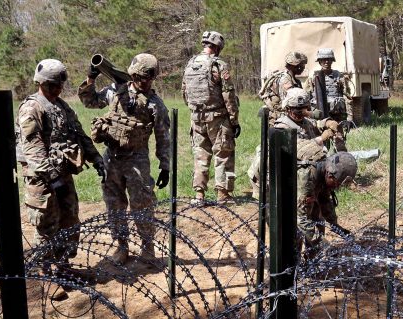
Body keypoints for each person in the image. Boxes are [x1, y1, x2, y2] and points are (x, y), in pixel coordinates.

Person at [15, 59, 105, 300]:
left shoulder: (62, 106)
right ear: (41, 82)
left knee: (70, 221)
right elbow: (33, 149)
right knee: (46, 226)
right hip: (41, 179)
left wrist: (96, 159)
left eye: (59, 85)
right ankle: (46, 276)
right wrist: (51, 177)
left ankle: (63, 268)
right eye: (53, 85)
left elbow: (79, 134)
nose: (57, 89)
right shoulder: (32, 108)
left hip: (62, 175)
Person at [78, 53, 170, 264]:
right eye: (139, 77)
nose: (143, 82)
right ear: (133, 75)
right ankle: (121, 246)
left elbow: (163, 136)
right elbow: (90, 101)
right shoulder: (115, 92)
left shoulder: (155, 104)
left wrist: (165, 165)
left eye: (148, 78)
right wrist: (91, 79)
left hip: (137, 159)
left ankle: (148, 247)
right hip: (112, 157)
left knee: (142, 204)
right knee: (114, 204)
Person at [247, 88, 340, 198]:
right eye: (296, 110)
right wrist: (321, 138)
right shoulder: (282, 127)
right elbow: (303, 149)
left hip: (293, 171)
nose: (300, 113)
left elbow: (317, 123)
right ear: (288, 109)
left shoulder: (305, 122)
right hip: (273, 178)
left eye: (303, 109)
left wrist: (329, 122)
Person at [182, 30, 240, 204]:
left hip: (196, 118)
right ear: (217, 46)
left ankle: (199, 194)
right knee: (223, 153)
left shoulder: (190, 64)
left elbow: (184, 94)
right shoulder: (219, 65)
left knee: (200, 154)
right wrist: (234, 120)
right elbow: (228, 94)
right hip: (218, 117)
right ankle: (223, 194)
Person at [295, 148, 357, 258]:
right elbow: (301, 219)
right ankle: (292, 268)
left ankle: (311, 263)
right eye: (336, 184)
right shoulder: (307, 176)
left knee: (317, 218)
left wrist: (338, 228)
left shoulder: (326, 169)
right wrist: (324, 244)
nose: (336, 188)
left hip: (303, 184)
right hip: (268, 178)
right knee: (293, 230)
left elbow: (324, 202)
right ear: (329, 175)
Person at [304, 48, 351, 152]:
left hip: (336, 116)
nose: (326, 62)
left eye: (329, 59)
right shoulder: (313, 77)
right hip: (320, 117)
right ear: (319, 61)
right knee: (321, 145)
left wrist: (349, 119)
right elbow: (306, 98)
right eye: (324, 59)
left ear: (332, 61)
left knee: (339, 143)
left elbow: (348, 98)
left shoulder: (339, 76)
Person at [258, 51, 308, 125]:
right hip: (281, 119)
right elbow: (288, 103)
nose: (303, 68)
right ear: (293, 66)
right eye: (300, 65)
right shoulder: (285, 80)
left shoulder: (295, 80)